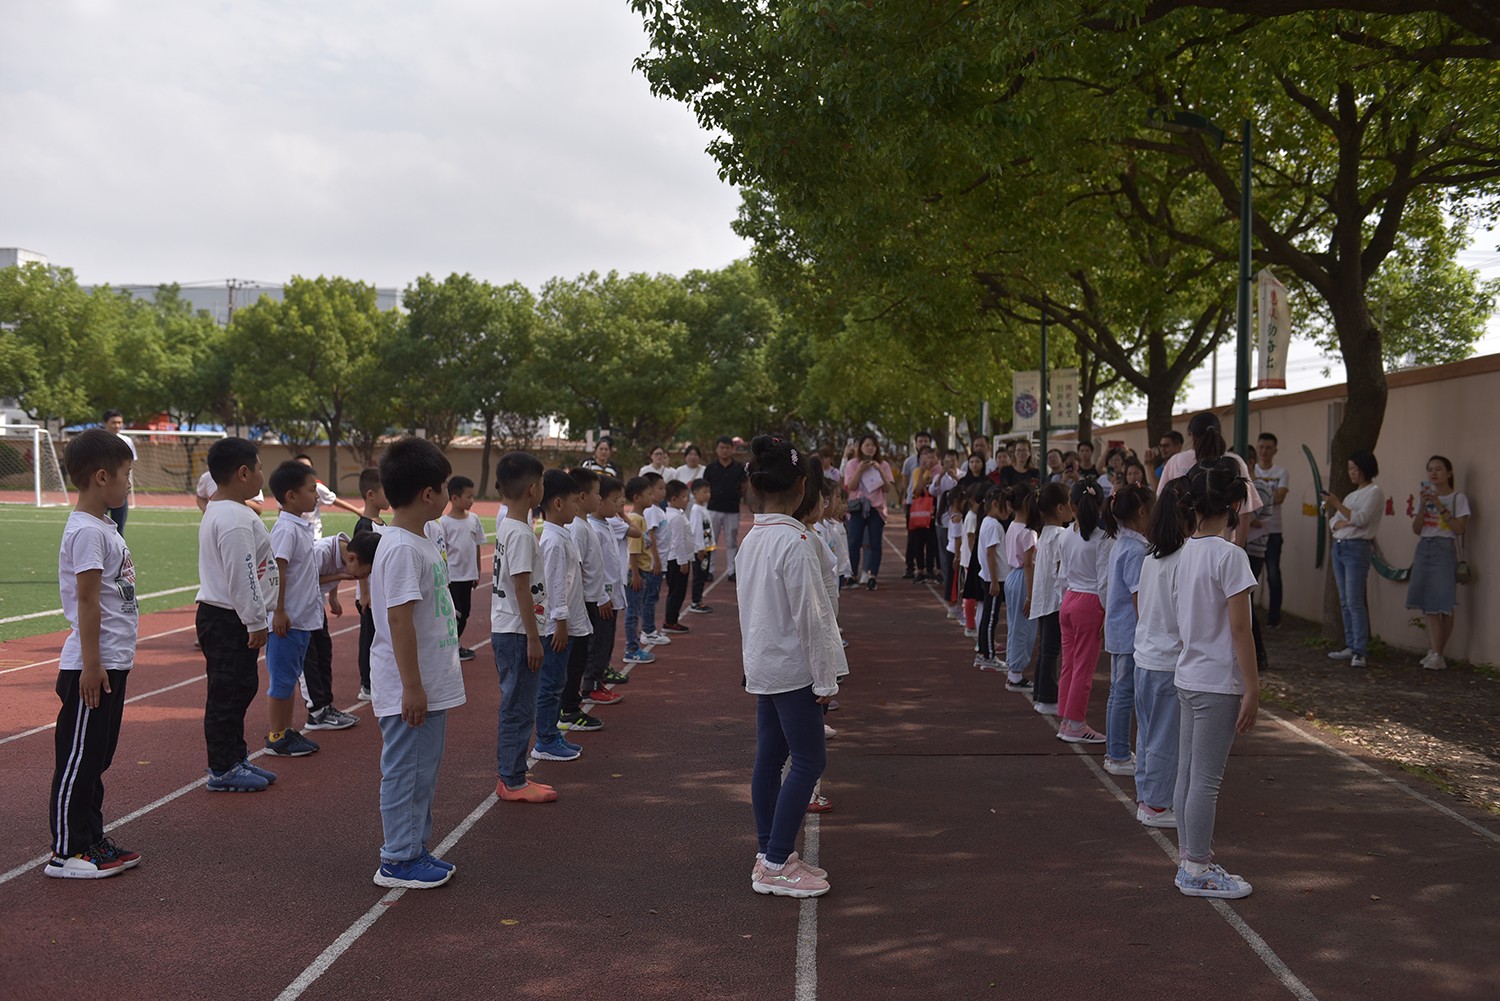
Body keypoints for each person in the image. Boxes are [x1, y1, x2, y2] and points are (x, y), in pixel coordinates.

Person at [740, 436, 845, 898]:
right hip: (792, 668)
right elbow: (812, 617)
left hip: (765, 663)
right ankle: (777, 860)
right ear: (802, 487)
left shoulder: (755, 538)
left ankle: (769, 852)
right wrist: (826, 677)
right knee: (808, 759)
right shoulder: (796, 541)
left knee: (770, 758)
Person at [369, 437, 466, 888]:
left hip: (429, 680)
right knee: (407, 770)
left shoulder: (420, 539)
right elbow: (399, 620)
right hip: (413, 685)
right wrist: (412, 686)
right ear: (428, 494)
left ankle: (414, 846)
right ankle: (399, 858)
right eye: (445, 486)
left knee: (422, 769)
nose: (449, 494)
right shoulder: (403, 548)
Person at [46, 429, 140, 878]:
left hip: (111, 661)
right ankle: (66, 851)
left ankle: (91, 837)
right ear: (101, 477)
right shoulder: (85, 532)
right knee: (78, 758)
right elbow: (87, 601)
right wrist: (91, 663)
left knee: (97, 757)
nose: (129, 484)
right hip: (93, 665)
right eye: (125, 476)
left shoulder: (103, 527)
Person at [1172, 458, 1259, 899]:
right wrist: (1253, 687)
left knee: (1188, 774)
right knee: (1204, 780)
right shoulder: (1231, 556)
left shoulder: (1184, 552)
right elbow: (1241, 629)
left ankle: (1192, 857)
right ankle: (1196, 867)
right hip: (1216, 681)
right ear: (1234, 504)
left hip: (1188, 676)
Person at [196, 437, 280, 793]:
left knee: (240, 688)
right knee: (228, 692)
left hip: (230, 617)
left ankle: (235, 755)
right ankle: (223, 768)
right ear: (243, 472)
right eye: (259, 467)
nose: (263, 472)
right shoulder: (231, 518)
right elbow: (242, 573)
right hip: (229, 618)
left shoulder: (230, 510)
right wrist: (256, 621)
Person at [489, 451, 557, 804]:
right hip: (517, 632)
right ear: (534, 489)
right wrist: (533, 637)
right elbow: (520, 586)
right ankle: (512, 780)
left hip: (514, 629)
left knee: (519, 703)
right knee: (518, 706)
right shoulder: (520, 534)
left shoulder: (513, 527)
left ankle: (514, 772)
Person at [1133, 478, 1192, 829]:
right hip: (1168, 660)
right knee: (1165, 737)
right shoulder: (1183, 557)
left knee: (1148, 733)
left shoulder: (1152, 555)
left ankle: (1147, 796)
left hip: (1146, 655)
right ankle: (1155, 803)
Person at [262, 460, 325, 759]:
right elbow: (279, 569)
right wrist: (279, 610)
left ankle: (286, 731)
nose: (316, 496)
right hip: (289, 618)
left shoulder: (300, 526)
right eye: (311, 490)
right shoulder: (286, 529)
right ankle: (276, 735)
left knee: (290, 676)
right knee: (283, 679)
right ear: (290, 495)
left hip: (301, 617)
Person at [533, 469, 589, 763]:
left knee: (557, 681)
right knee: (551, 685)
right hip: (557, 628)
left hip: (564, 624)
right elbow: (554, 586)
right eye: (572, 502)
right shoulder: (553, 541)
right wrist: (561, 624)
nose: (576, 507)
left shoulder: (561, 535)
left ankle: (551, 734)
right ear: (557, 504)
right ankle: (545, 739)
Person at [1102, 484, 1155, 775]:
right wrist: (1149, 628)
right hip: (1129, 631)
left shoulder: (1123, 543)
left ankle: (1116, 751)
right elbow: (1139, 598)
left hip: (1121, 629)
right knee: (1123, 693)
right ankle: (1118, 754)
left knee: (1117, 692)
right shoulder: (1135, 549)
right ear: (1142, 511)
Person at [559, 466, 616, 733]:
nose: (598, 497)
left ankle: (571, 705)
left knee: (581, 656)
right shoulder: (579, 529)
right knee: (578, 657)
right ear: (582, 496)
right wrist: (590, 601)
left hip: (590, 601)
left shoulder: (583, 526)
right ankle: (568, 709)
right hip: (583, 603)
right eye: (595, 493)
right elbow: (576, 571)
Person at [1056, 479, 1110, 743]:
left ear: (1070, 505)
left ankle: (1067, 719)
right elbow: (1104, 581)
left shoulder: (1065, 534)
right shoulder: (1103, 540)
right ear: (1100, 504)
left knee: (1069, 663)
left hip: (1068, 601)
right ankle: (1076, 723)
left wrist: (1063, 599)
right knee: (1084, 667)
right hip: (1090, 603)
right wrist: (1107, 612)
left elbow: (1062, 574)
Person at [1407, 455, 1470, 671]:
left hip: (1445, 548)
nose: (1434, 473)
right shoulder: (1424, 497)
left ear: (1449, 473)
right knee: (1429, 604)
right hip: (1425, 547)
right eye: (1430, 469)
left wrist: (1439, 506)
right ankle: (1435, 653)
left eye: (1439, 469)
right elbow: (1416, 529)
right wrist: (1424, 506)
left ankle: (1437, 653)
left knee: (1444, 603)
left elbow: (1459, 529)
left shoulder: (1457, 498)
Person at [302, 530, 368, 733]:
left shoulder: (348, 548)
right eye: (360, 574)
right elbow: (305, 579)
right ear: (352, 558)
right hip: (299, 607)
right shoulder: (321, 552)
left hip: (315, 604)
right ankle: (316, 712)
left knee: (324, 651)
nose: (358, 578)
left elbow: (338, 568)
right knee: (308, 658)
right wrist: (341, 576)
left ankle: (326, 705)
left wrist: (333, 596)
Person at [1324, 449, 1384, 668]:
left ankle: (1360, 649)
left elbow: (1360, 519)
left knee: (1354, 600)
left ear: (1366, 469)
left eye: (1355, 469)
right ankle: (1351, 645)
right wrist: (1344, 517)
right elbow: (1334, 523)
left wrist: (1338, 505)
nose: (1352, 473)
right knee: (1344, 600)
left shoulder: (1374, 492)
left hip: (1357, 548)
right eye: (1350, 469)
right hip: (1340, 546)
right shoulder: (1352, 495)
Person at [1026, 483, 1071, 715]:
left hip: (1044, 599)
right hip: (1054, 600)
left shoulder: (1045, 534)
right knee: (1051, 650)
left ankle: (1041, 695)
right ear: (1061, 507)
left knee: (1046, 648)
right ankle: (1047, 697)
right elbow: (1060, 569)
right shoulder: (1061, 535)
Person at [588, 475, 633, 693]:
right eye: (614, 500)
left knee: (607, 640)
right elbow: (594, 569)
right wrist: (602, 597)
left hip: (612, 595)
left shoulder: (607, 524)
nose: (619, 505)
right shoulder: (593, 528)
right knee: (598, 641)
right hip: (602, 598)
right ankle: (592, 684)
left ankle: (600, 676)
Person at [438, 476, 486, 662]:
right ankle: (450, 646)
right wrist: (445, 576)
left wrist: (478, 571)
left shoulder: (473, 519)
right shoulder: (444, 523)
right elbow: (443, 551)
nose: (471, 501)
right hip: (453, 576)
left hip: (468, 575)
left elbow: (477, 546)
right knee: (455, 612)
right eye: (468, 497)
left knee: (465, 612)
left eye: (473, 496)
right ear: (455, 498)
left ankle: (454, 644)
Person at [353, 467, 388, 702]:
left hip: (381, 593)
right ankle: (366, 684)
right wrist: (365, 594)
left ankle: (376, 678)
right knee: (369, 637)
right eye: (385, 490)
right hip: (369, 597)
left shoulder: (382, 523)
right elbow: (360, 563)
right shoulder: (364, 526)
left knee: (379, 636)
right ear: (370, 495)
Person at [843, 434, 894, 591]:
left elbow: (887, 488)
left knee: (875, 543)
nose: (870, 448)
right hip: (857, 508)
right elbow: (850, 486)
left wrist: (879, 470)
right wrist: (860, 470)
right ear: (860, 447)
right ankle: (853, 575)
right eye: (866, 445)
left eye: (873, 445)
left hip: (875, 508)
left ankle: (873, 576)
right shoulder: (852, 464)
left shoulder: (883, 464)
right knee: (854, 542)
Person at [1002, 485, 1039, 692]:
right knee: (1023, 628)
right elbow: (1028, 564)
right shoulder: (1028, 532)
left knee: (1016, 625)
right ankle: (1015, 674)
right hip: (1023, 579)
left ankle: (1013, 671)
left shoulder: (1013, 526)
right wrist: (1030, 596)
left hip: (1013, 578)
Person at [1252, 434, 1290, 626]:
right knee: (1251, 575)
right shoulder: (1252, 470)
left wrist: (1261, 497)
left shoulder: (1282, 472)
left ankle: (1274, 619)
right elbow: (1270, 497)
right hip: (1253, 532)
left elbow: (1279, 498)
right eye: (1261, 447)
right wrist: (1269, 495)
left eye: (1268, 448)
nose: (1264, 451)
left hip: (1273, 530)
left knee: (1273, 574)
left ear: (1275, 450)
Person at [620, 477, 657, 666]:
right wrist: (635, 574)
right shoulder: (635, 519)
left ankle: (634, 646)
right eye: (648, 494)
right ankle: (631, 649)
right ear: (636, 497)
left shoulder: (640, 518)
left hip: (643, 571)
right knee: (633, 613)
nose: (652, 497)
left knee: (637, 610)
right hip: (637, 573)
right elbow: (633, 551)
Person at [974, 486, 1009, 671]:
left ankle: (983, 652)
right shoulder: (994, 525)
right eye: (1007, 505)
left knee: (989, 616)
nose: (1009, 510)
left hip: (991, 577)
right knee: (991, 618)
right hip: (993, 579)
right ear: (995, 504)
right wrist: (994, 580)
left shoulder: (988, 522)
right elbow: (990, 554)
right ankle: (988, 655)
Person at [704, 436, 748, 582]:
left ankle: (732, 571)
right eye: (721, 448)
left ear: (732, 449)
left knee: (731, 542)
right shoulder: (710, 468)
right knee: (710, 541)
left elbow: (744, 487)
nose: (724, 451)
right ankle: (708, 570)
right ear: (717, 450)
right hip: (713, 508)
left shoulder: (739, 468)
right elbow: (705, 487)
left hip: (732, 509)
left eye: (727, 448)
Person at [293, 453, 365, 541]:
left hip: (313, 537)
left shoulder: (318, 488)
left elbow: (335, 500)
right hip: (295, 536)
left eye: (308, 467)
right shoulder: (286, 490)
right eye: (300, 467)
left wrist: (358, 511)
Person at [639, 472, 670, 646]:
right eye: (660, 488)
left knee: (653, 596)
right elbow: (650, 535)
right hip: (654, 564)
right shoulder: (651, 511)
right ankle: (648, 631)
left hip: (659, 562)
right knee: (650, 597)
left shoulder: (658, 510)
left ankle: (648, 628)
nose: (663, 491)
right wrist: (656, 560)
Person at [661, 479, 694, 632]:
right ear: (673, 499)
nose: (687, 500)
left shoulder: (673, 514)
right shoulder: (677, 518)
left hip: (675, 559)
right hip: (677, 560)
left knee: (676, 591)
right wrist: (683, 562)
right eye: (684, 497)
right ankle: (670, 621)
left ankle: (671, 619)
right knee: (677, 592)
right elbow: (678, 541)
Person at [100, 410, 136, 537]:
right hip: (101, 490)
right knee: (97, 526)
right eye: (114, 422)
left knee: (118, 529)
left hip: (120, 491)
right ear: (105, 423)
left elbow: (130, 464)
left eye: (120, 422)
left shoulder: (127, 441)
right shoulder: (98, 441)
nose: (117, 426)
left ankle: (118, 555)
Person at [688, 478, 716, 613]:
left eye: (709, 492)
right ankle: (695, 601)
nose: (708, 495)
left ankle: (698, 599)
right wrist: (699, 548)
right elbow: (696, 530)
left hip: (707, 548)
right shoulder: (696, 510)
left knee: (703, 575)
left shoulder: (703, 509)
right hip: (701, 549)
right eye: (704, 492)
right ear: (695, 493)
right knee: (699, 576)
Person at [196, 466, 265, 514]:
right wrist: (207, 511)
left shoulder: (247, 477)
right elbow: (200, 497)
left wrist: (232, 499)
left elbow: (258, 509)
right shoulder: (207, 477)